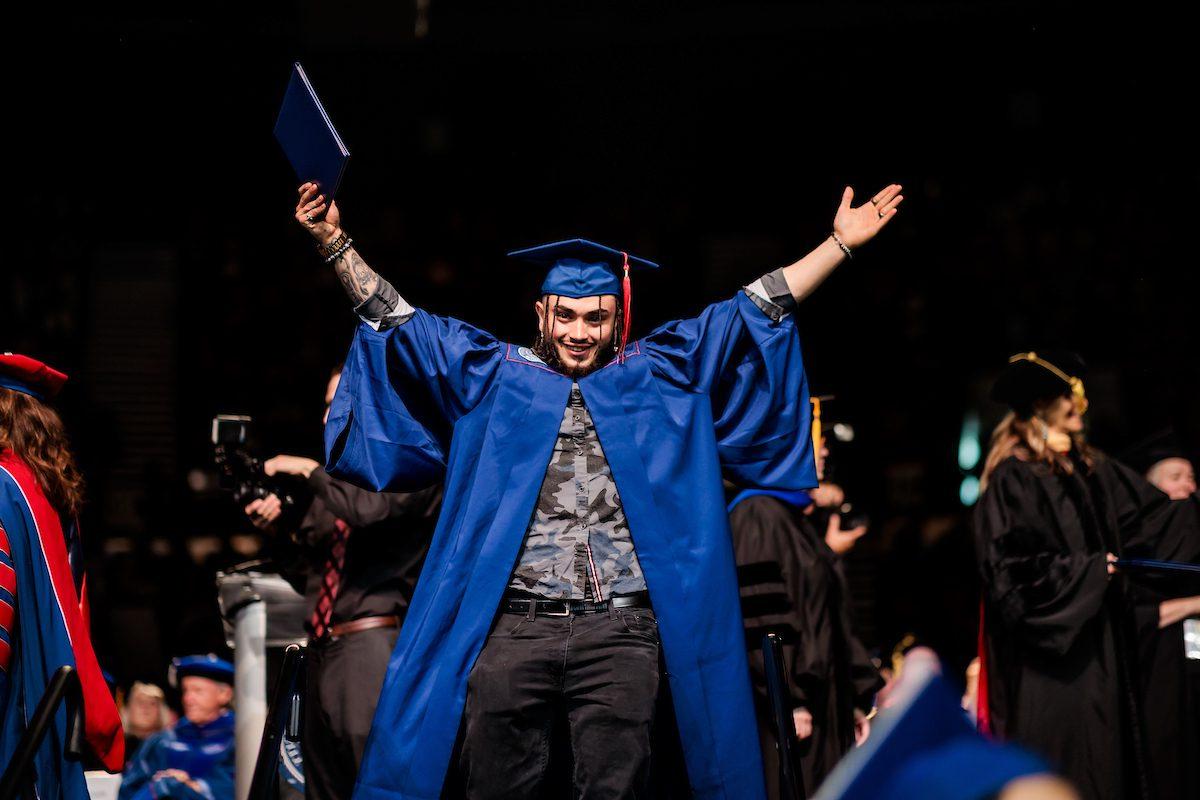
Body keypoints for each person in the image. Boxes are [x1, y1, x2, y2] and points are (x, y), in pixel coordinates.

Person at [291, 179, 903, 799]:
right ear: (542, 313)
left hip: (621, 634)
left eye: (595, 317)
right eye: (566, 315)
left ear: (618, 320)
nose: (579, 331)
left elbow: (755, 308)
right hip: (515, 628)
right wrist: (335, 243)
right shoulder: (492, 374)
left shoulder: (658, 373)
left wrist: (837, 245)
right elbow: (394, 318)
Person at [973, 351, 1199, 800]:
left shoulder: (1093, 469)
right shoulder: (1014, 478)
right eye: (1065, 395)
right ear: (1041, 406)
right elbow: (1010, 577)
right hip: (1054, 664)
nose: (1080, 403)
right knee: (1073, 764)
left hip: (1100, 652)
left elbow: (1156, 522)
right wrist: (1092, 570)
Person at [242, 364, 441, 800]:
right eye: (327, 405)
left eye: (342, 404)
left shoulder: (411, 465)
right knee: (322, 781)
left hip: (372, 642)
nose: (330, 414)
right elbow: (308, 571)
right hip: (322, 647)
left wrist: (308, 469)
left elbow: (367, 511)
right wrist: (277, 533)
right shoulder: (334, 486)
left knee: (373, 775)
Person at [729, 415, 882, 795]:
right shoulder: (757, 515)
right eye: (816, 440)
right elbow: (762, 616)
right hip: (788, 713)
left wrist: (853, 700)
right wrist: (789, 700)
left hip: (822, 706)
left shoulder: (791, 519)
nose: (826, 449)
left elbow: (823, 615)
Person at [0, 353, 125, 797]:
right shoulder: (50, 492)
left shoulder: (2, 487)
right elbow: (76, 605)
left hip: (13, 700)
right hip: (54, 689)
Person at [1122, 429, 1200, 800]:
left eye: (1192, 478)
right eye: (1175, 477)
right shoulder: (1135, 543)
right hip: (1158, 670)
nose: (1188, 486)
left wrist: (1189, 606)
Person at [119, 655, 236, 800]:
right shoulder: (162, 741)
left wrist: (191, 786)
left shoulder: (238, 742)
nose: (188, 699)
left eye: (197, 691)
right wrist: (162, 784)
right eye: (185, 690)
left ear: (224, 694)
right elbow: (129, 789)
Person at [120, 681, 173, 763]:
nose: (146, 708)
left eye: (152, 703)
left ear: (161, 712)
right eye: (140, 702)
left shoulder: (170, 747)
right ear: (128, 708)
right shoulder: (116, 748)